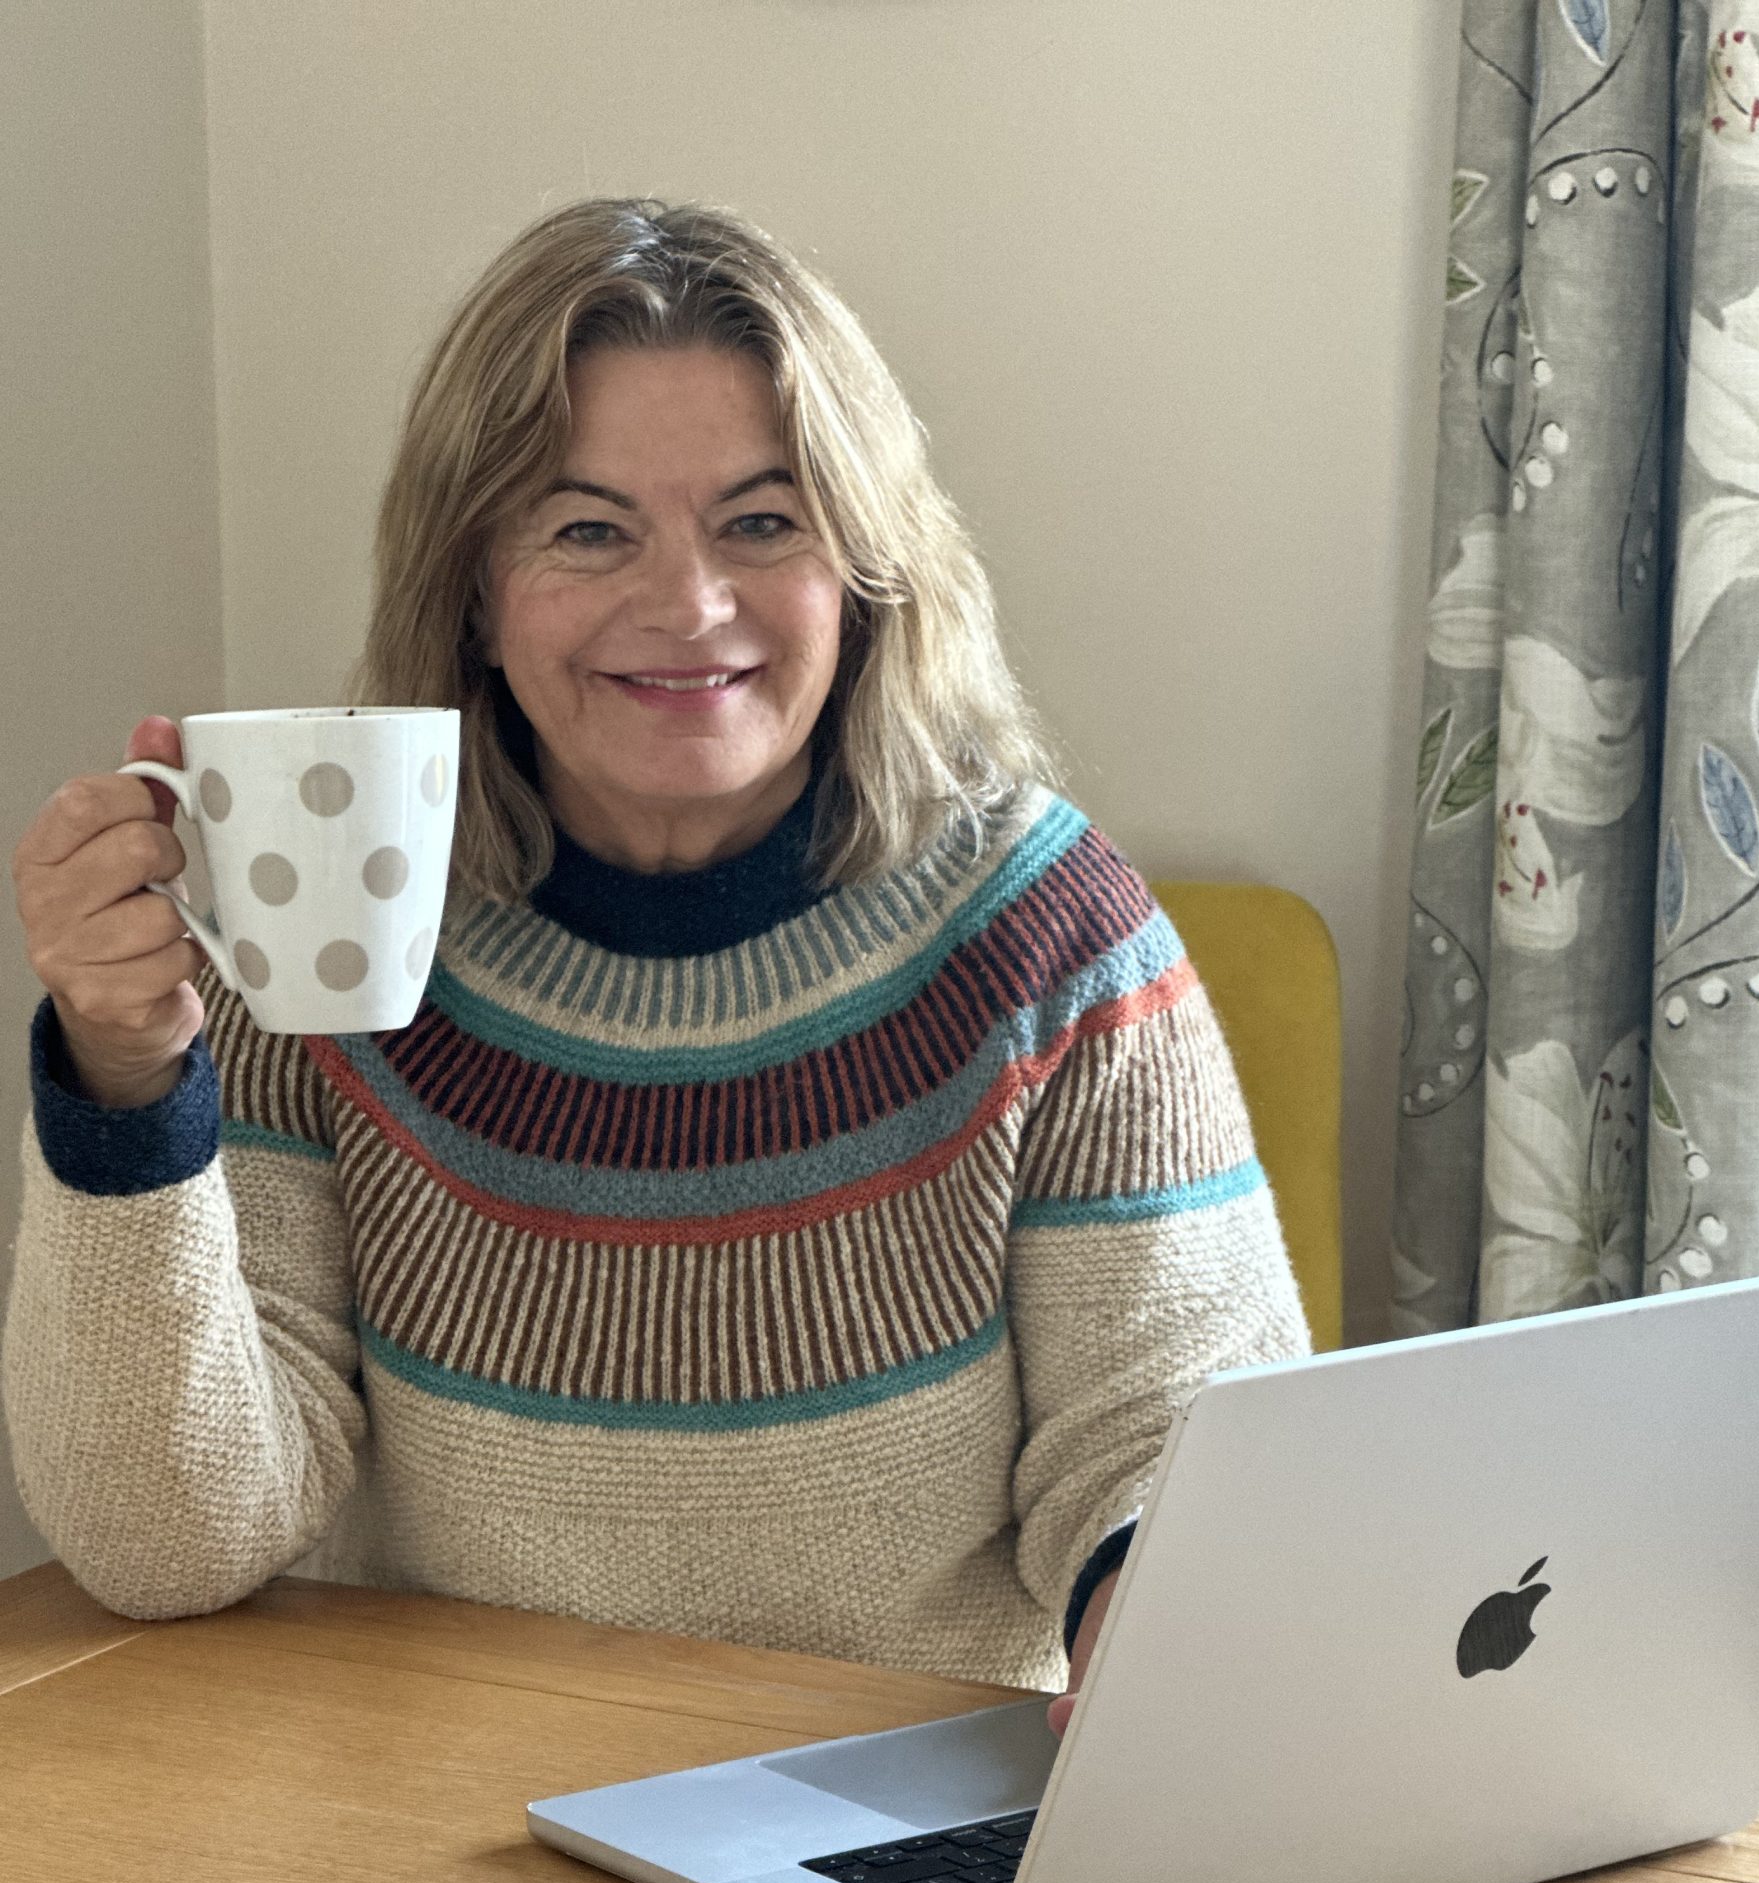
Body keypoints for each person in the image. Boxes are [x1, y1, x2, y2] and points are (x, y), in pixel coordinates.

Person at [4, 198, 1307, 1712]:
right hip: (420, 1810)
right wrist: (124, 1077)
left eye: (762, 522)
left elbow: (1165, 1450)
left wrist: (1172, 1662)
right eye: (588, 530)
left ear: (864, 572)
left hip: (893, 1807)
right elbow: (165, 1547)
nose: (689, 606)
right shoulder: (307, 927)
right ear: (475, 593)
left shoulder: (1046, 929)